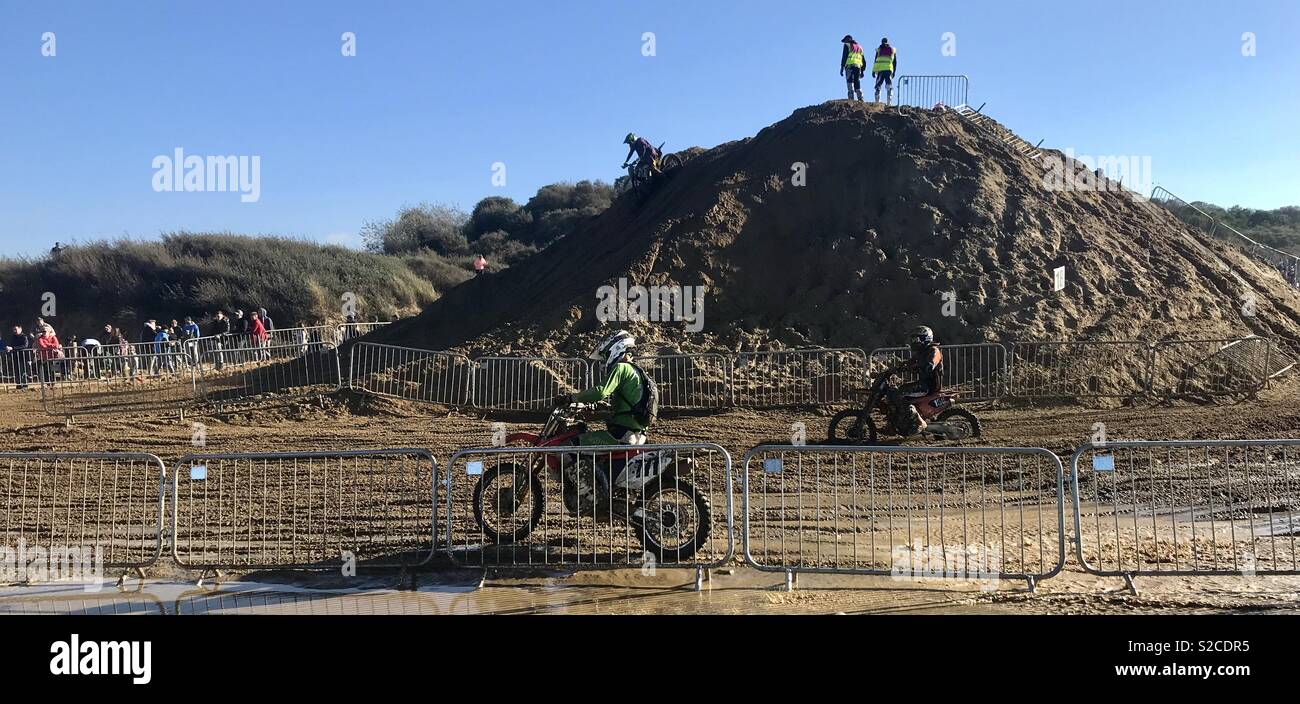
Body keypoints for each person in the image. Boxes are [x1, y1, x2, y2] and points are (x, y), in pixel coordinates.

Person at [551, 330, 654, 514]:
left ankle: (592, 499)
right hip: (635, 434)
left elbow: (600, 391)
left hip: (621, 434)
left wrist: (571, 398)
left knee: (566, 448)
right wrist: (594, 407)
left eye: (606, 354)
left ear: (616, 348)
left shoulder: (621, 368)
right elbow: (621, 404)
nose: (605, 359)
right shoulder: (636, 371)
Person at [872, 37, 898, 104]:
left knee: (878, 86)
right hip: (888, 70)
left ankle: (877, 102)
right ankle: (889, 102)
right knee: (889, 86)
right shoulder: (892, 49)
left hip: (880, 70)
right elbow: (895, 62)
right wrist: (894, 71)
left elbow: (875, 61)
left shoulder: (879, 50)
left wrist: (873, 71)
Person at [840, 35, 866, 101]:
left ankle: (851, 99)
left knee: (849, 81)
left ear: (847, 40)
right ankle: (860, 98)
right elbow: (863, 60)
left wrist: (842, 67)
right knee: (857, 81)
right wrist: (862, 71)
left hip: (849, 66)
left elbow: (844, 57)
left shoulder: (847, 45)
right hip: (858, 66)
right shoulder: (859, 47)